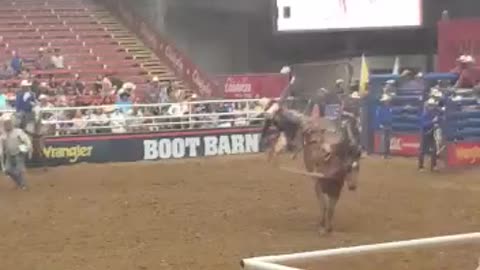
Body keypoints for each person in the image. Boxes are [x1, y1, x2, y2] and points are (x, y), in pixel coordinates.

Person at [0, 114, 32, 190]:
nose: (7, 125)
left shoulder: (18, 132)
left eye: (8, 123)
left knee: (19, 170)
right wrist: (2, 165)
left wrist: (28, 148)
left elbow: (27, 140)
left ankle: (22, 184)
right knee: (8, 170)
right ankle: (20, 182)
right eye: (5, 123)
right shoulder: (2, 136)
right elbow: (1, 150)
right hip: (8, 155)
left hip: (19, 153)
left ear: (12, 123)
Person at [418, 98, 440, 172]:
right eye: (430, 105)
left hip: (431, 133)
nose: (432, 107)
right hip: (425, 134)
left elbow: (435, 123)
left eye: (432, 105)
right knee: (422, 151)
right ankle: (421, 166)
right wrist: (432, 122)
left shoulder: (433, 114)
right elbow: (424, 125)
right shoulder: (424, 114)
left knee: (434, 149)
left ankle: (434, 165)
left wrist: (435, 124)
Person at [376, 94, 393, 159]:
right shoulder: (380, 108)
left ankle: (387, 153)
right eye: (386, 101)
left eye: (387, 101)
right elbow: (378, 117)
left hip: (388, 125)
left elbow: (390, 116)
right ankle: (384, 154)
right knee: (384, 140)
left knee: (387, 140)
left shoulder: (389, 108)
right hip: (383, 125)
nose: (387, 102)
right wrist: (380, 124)